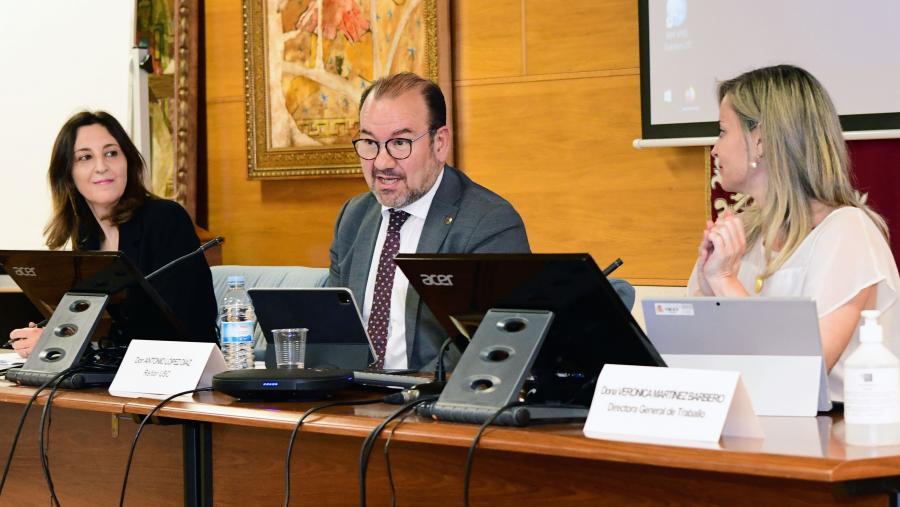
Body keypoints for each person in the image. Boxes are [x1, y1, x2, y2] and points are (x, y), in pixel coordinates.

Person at [689, 64, 900, 399]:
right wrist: (707, 286)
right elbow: (694, 359)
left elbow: (806, 373)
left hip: (841, 435)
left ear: (759, 141)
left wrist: (726, 282)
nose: (714, 149)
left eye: (722, 131)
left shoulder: (847, 231)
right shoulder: (740, 231)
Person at [328, 72, 530, 371]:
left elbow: (492, 346)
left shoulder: (489, 223)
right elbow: (335, 328)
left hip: (430, 404)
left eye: (399, 142)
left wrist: (400, 393)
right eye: (370, 142)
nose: (382, 162)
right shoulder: (354, 216)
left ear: (439, 142)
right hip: (351, 400)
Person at [8, 111, 218, 357]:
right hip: (119, 379)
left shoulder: (165, 219)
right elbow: (99, 328)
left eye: (111, 153)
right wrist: (51, 339)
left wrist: (73, 347)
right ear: (67, 175)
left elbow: (177, 331)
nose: (101, 167)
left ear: (127, 160)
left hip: (183, 375)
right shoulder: (87, 237)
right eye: (85, 157)